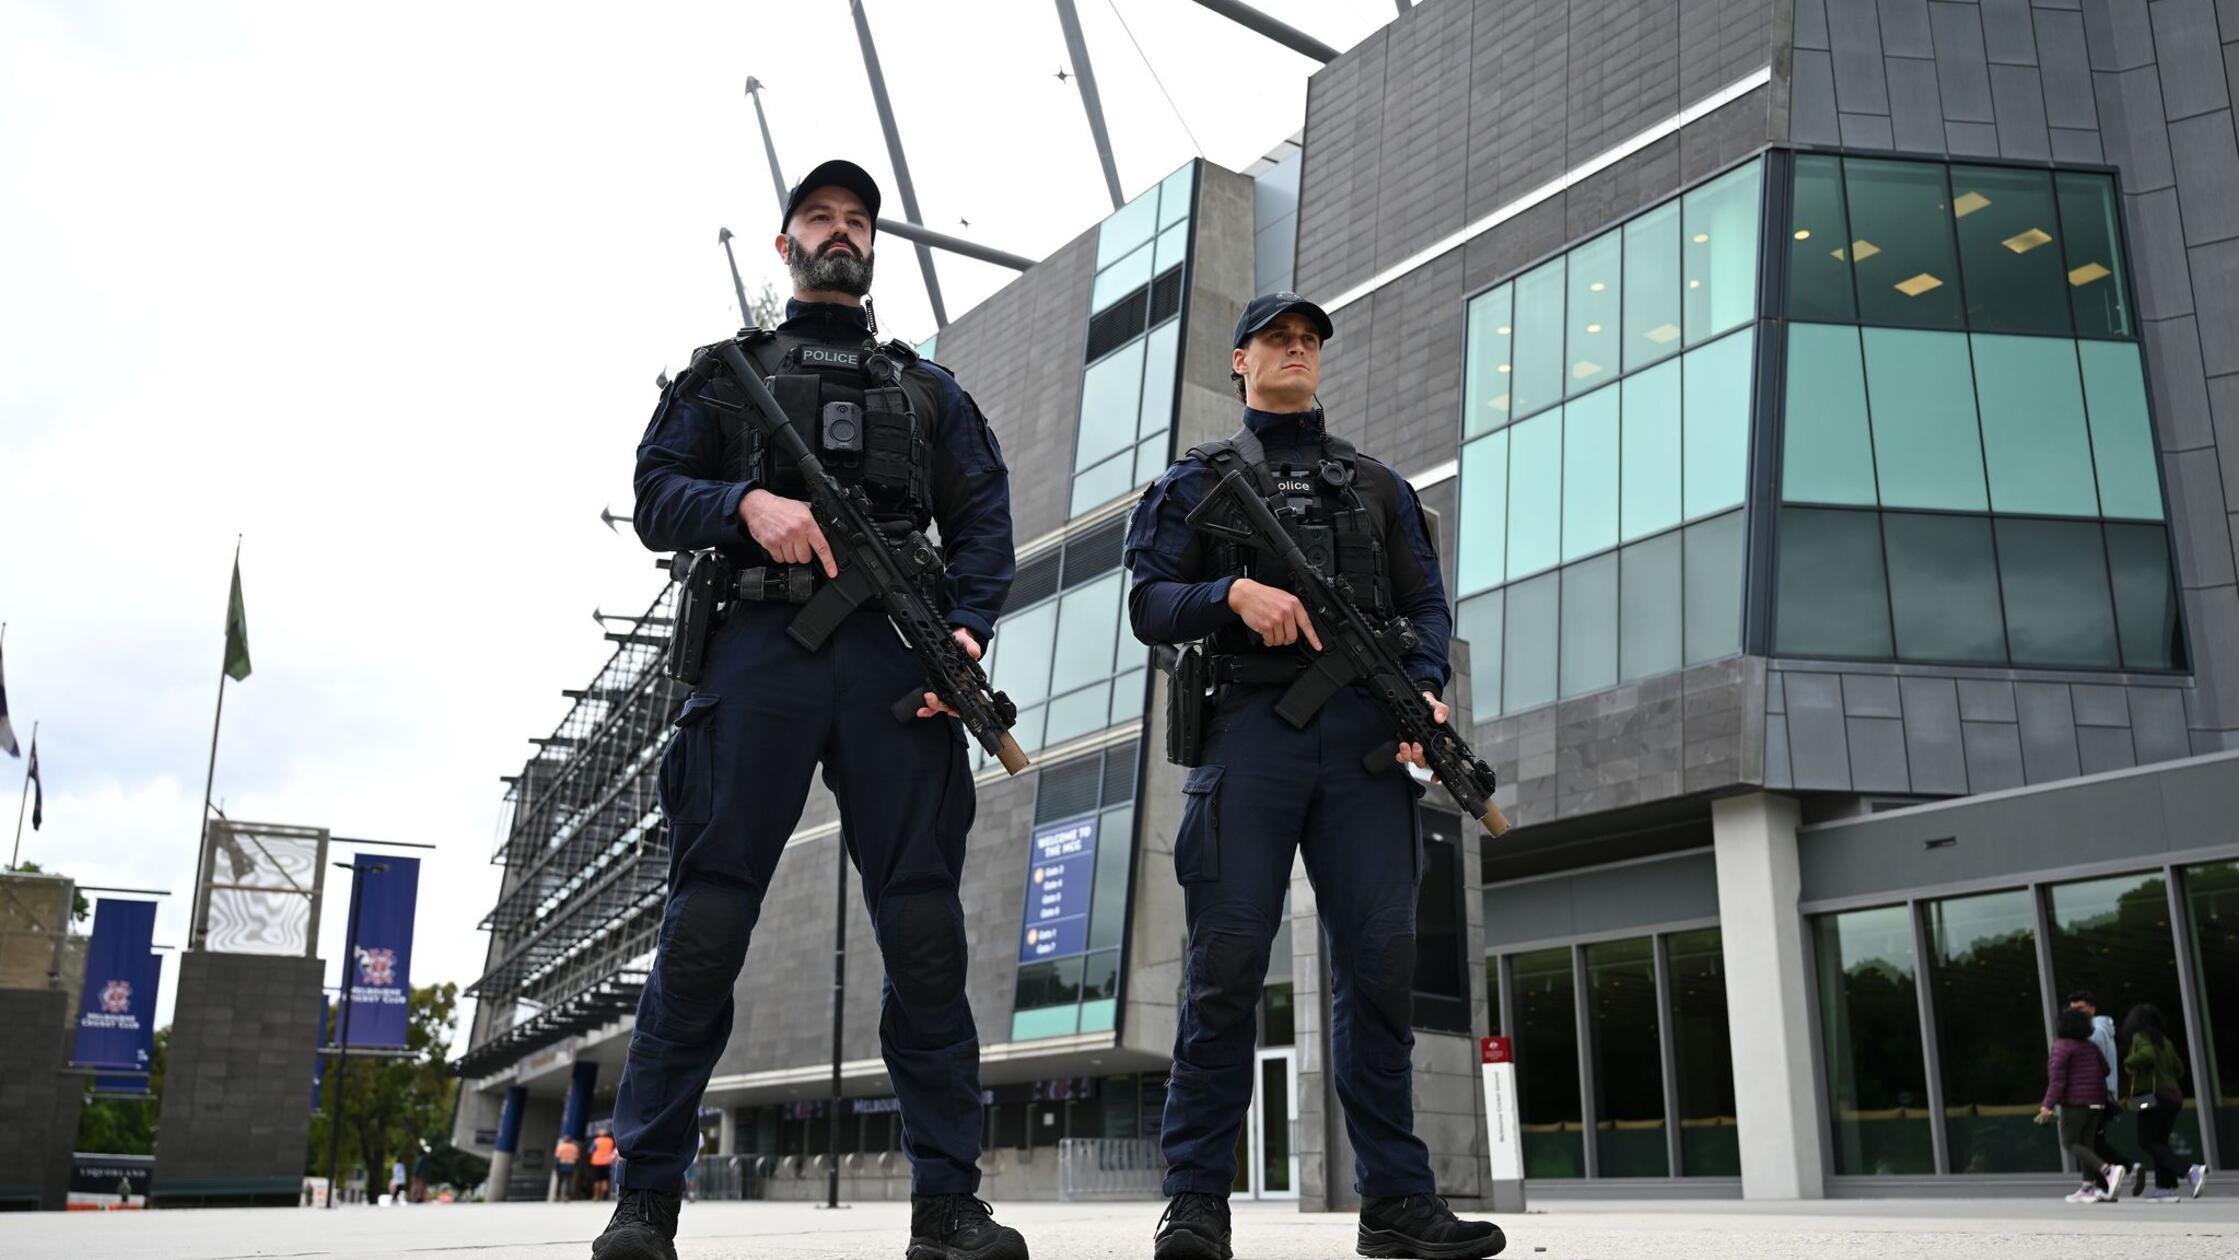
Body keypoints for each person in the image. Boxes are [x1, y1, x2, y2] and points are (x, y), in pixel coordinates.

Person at [597, 158, 1021, 1260]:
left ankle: (948, 1208)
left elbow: (984, 523)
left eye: (857, 221)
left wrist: (967, 633)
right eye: (819, 217)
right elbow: (654, 497)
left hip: (896, 664)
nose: (840, 232)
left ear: (873, 247)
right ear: (785, 243)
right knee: (704, 926)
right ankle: (644, 1201)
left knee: (922, 932)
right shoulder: (724, 375)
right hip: (759, 650)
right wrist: (744, 502)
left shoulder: (930, 391)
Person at [1124, 292, 1505, 1260]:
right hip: (1249, 733)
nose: (1296, 350)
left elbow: (1425, 607)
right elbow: (1149, 604)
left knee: (1381, 968)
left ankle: (1395, 1204)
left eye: (1308, 341)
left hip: (1365, 745)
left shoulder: (1378, 487)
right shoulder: (1195, 482)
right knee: (1224, 970)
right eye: (1277, 339)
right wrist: (1231, 594)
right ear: (1239, 360)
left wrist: (1425, 693)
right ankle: (1196, 1204)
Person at [2120, 1003, 2209, 1202]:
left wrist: (2129, 1062)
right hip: (2172, 1097)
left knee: (2146, 1140)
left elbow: (2147, 1055)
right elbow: (2179, 1070)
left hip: (2152, 1097)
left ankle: (2190, 1170)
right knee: (2159, 1142)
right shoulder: (2164, 1041)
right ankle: (2165, 1188)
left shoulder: (2140, 1037)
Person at [2039, 1007, 2123, 1203]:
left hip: (2075, 1104)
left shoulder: (2061, 1047)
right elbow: (2106, 1069)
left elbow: (2057, 1081)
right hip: (2097, 1103)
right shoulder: (2090, 1046)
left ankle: (2108, 1171)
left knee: (2070, 1143)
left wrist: (2047, 1105)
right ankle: (2088, 1188)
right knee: (2087, 1145)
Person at [2066, 991, 2133, 1185]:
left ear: (2092, 1008)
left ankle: (2120, 1172)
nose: (2076, 1013)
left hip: (2096, 1094)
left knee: (2088, 1143)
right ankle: (2116, 1176)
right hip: (2103, 1092)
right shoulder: (2101, 1029)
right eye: (2073, 1010)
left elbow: (2092, 1067)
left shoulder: (2093, 1032)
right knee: (2094, 1141)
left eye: (2080, 1008)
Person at [590, 1130, 618, 1201]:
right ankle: (604, 1196)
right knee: (605, 1179)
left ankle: (596, 1196)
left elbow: (590, 1150)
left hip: (597, 1162)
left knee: (597, 1180)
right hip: (607, 1162)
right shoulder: (610, 1141)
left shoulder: (596, 1141)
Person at [555, 1135, 581, 1203]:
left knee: (559, 1182)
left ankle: (557, 1196)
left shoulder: (561, 1147)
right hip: (570, 1166)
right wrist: (575, 1166)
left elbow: (557, 1158)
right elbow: (577, 1158)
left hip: (561, 1166)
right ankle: (567, 1196)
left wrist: (556, 1167)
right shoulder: (574, 1147)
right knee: (569, 1182)